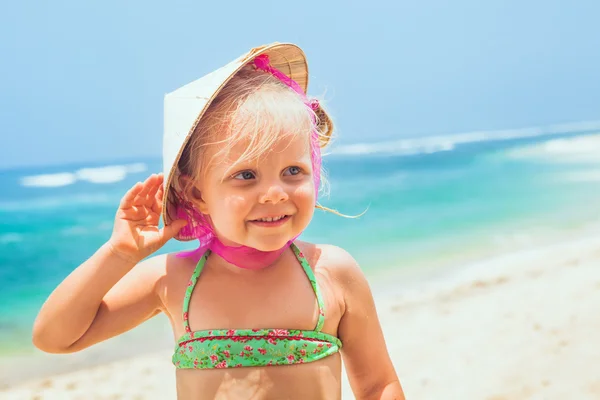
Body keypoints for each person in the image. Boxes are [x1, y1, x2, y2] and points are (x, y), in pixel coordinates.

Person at [32, 42, 405, 400]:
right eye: (245, 176)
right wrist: (119, 253)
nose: (275, 193)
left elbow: (377, 386)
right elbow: (55, 337)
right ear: (197, 195)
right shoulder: (173, 280)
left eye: (293, 170)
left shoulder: (331, 272)